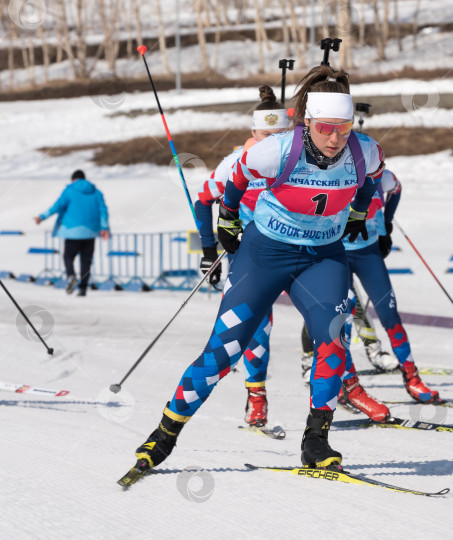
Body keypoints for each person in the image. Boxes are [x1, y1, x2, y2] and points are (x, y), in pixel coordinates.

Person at [128, 64, 387, 476]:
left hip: (323, 255)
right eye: (325, 128)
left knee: (335, 340)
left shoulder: (363, 149)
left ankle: (316, 441)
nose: (336, 138)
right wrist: (227, 219)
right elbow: (236, 179)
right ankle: (163, 436)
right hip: (265, 253)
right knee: (225, 349)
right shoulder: (277, 149)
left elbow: (375, 180)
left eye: (344, 126)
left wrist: (357, 212)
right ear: (307, 121)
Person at [194, 85, 289, 429]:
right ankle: (257, 395)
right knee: (257, 325)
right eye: (266, 135)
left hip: (298, 251)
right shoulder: (236, 162)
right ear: (253, 133)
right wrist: (209, 249)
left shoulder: (296, 159)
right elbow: (203, 200)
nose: (271, 141)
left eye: (279, 134)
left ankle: (336, 387)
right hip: (251, 255)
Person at [331, 169, 441, 421]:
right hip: (335, 253)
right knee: (342, 320)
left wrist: (387, 224)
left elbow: (397, 189)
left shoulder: (382, 175)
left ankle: (412, 377)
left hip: (368, 252)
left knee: (389, 313)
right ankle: (347, 385)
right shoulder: (334, 173)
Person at [34, 170, 110, 296]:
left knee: (68, 256)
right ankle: (83, 288)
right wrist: (104, 228)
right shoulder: (97, 192)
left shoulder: (69, 191)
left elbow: (57, 206)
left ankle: (71, 276)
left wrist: (41, 217)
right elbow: (103, 211)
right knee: (86, 261)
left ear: (73, 179)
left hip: (72, 231)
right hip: (91, 232)